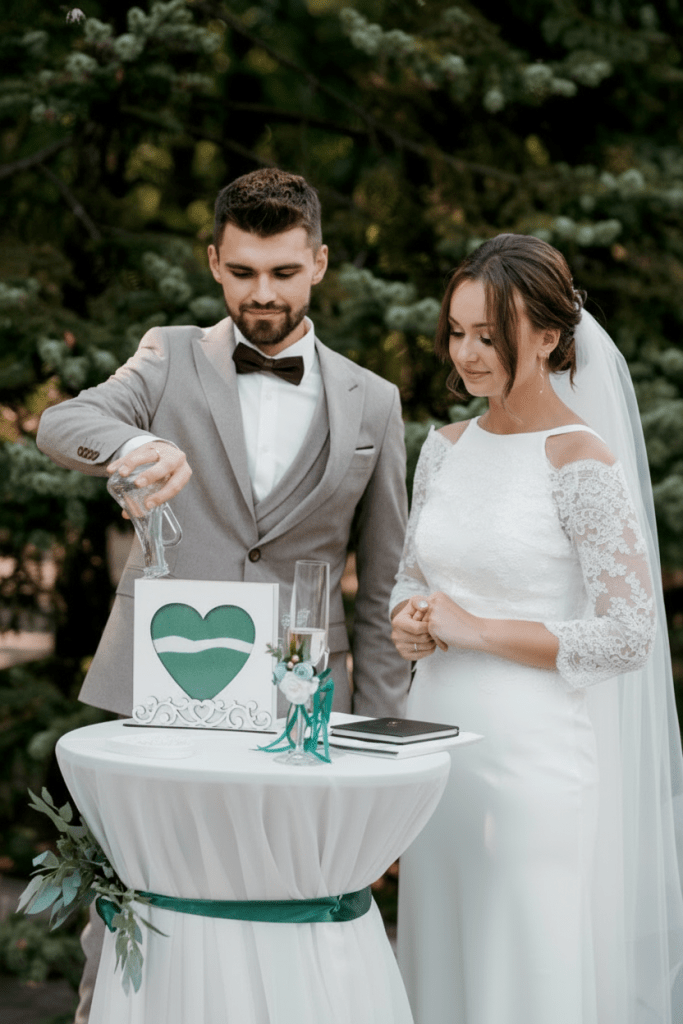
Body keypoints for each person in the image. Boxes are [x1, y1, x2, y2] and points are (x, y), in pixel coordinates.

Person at [37, 167, 410, 1022]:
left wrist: (380, 746)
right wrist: (136, 447)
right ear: (213, 262)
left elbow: (381, 585)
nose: (262, 294)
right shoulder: (166, 355)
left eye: (282, 272)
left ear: (318, 263)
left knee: (287, 912)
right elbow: (64, 423)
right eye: (242, 272)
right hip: (166, 684)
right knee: (134, 907)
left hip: (304, 706)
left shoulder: (375, 401)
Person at [390, 234, 683, 1024]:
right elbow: (411, 581)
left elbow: (627, 633)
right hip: (433, 751)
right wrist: (410, 624)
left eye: (489, 335)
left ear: (549, 336)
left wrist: (474, 629)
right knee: (442, 949)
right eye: (456, 332)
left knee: (522, 957)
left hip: (531, 761)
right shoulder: (443, 449)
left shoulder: (578, 459)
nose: (468, 353)